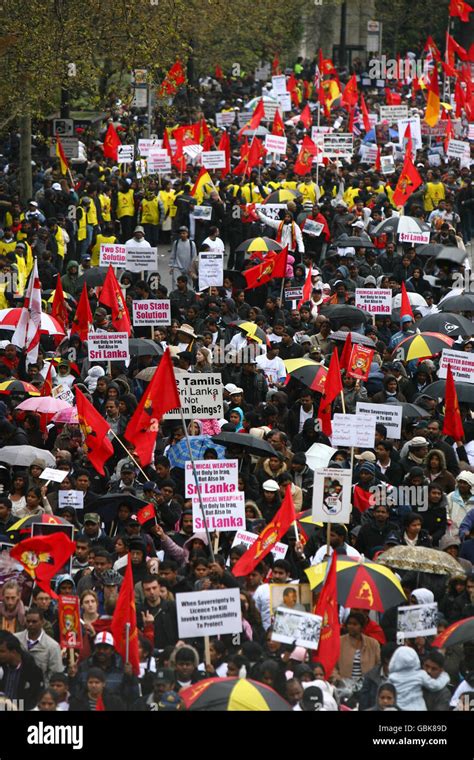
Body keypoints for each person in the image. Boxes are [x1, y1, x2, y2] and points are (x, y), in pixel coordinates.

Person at [387, 646, 450, 711]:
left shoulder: (443, 693)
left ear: (441, 671)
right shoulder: (417, 676)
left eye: (434, 669)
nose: (428, 671)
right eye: (426, 666)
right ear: (422, 664)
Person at [0, 630, 44, 710]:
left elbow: (34, 700)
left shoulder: (32, 670)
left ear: (13, 652)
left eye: (2, 651)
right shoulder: (2, 667)